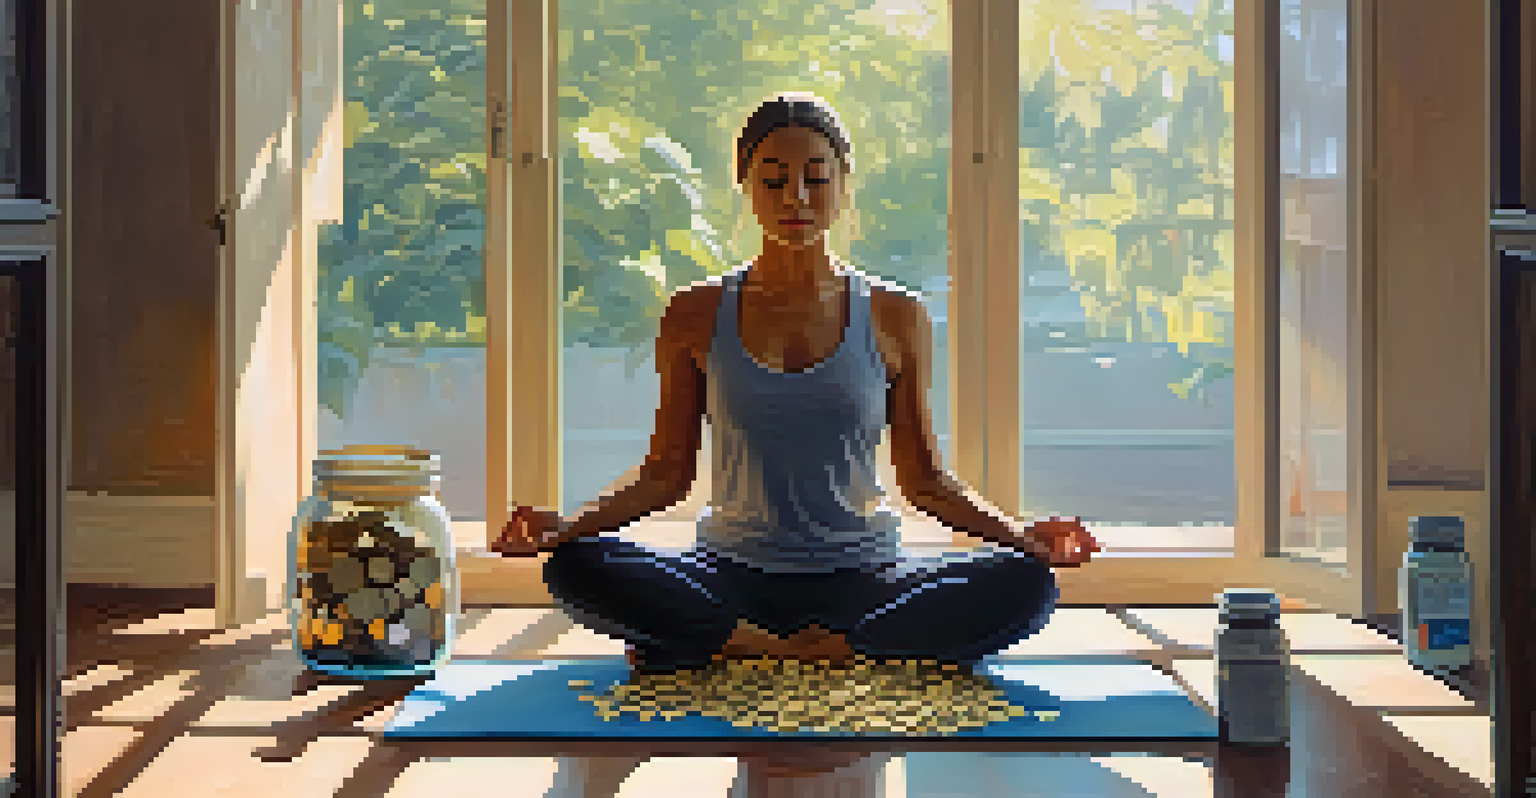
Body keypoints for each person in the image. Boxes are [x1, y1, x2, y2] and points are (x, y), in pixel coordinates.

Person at [494, 92, 1100, 679]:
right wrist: (564, 528)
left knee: (1025, 583)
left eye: (817, 177)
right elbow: (665, 474)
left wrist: (1021, 535)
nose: (797, 198)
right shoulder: (694, 312)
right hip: (729, 573)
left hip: (866, 577)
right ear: (747, 187)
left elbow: (924, 481)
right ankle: (835, 651)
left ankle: (741, 646)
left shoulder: (896, 314)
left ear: (842, 184)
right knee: (576, 567)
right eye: (774, 179)